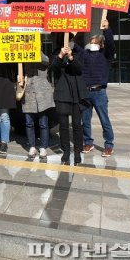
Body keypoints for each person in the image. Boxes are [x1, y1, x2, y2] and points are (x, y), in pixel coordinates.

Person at [78, 19, 116, 157]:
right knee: (85, 120)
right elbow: (76, 49)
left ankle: (109, 145)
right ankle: (88, 142)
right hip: (86, 92)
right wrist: (71, 34)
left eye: (94, 42)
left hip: (99, 92)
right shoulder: (86, 54)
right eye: (90, 42)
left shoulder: (106, 55)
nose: (91, 44)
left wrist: (107, 29)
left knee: (104, 120)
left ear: (101, 44)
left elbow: (111, 45)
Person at [48, 36, 89, 165]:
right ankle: (66, 151)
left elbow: (80, 69)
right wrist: (60, 55)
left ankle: (77, 151)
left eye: (71, 39)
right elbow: (52, 70)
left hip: (76, 94)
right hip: (62, 94)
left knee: (77, 125)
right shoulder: (55, 53)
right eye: (67, 39)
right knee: (64, 126)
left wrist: (71, 57)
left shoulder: (79, 53)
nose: (69, 42)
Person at [20, 52, 55, 159]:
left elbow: (47, 61)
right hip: (28, 92)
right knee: (29, 122)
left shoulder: (43, 56)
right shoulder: (22, 55)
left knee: (43, 123)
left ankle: (43, 147)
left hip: (42, 94)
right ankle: (32, 146)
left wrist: (35, 51)